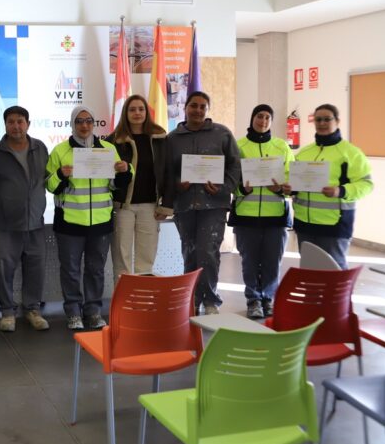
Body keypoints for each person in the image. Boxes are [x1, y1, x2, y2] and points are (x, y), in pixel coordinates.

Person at [46, 105, 130, 331]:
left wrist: (124, 171)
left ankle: (93, 311)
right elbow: (50, 186)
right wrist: (60, 174)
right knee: (71, 270)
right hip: (69, 222)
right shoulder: (60, 151)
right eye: (79, 121)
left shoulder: (108, 149)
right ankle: (73, 312)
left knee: (95, 270)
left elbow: (115, 184)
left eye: (88, 121)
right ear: (73, 124)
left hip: (101, 222)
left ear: (94, 124)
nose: (84, 125)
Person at [164, 91, 241, 315]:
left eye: (202, 106)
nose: (197, 110)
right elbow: (166, 171)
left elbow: (235, 167)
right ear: (185, 108)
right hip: (185, 204)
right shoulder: (172, 138)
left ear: (207, 110)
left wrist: (223, 188)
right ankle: (191, 299)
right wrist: (178, 184)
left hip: (213, 205)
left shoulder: (222, 134)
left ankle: (210, 300)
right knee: (189, 252)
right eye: (193, 106)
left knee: (208, 252)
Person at [0, 106, 50, 332]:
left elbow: (45, 180)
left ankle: (32, 310)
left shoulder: (40, 148)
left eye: (20, 121)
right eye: (11, 122)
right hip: (6, 223)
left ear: (28, 124)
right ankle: (7, 312)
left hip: (35, 222)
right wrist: (4, 201)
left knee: (35, 268)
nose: (16, 126)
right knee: (3, 269)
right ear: (5, 125)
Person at [283, 104, 372, 270]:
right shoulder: (305, 152)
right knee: (310, 269)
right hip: (304, 224)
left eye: (326, 119)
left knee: (334, 271)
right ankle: (313, 298)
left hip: (335, 225)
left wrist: (341, 191)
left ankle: (337, 298)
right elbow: (294, 181)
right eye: (318, 119)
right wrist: (290, 189)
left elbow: (366, 184)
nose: (322, 123)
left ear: (337, 121)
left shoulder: (350, 153)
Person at [228, 104, 293, 319]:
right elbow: (232, 179)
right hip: (246, 215)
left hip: (275, 214)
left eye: (267, 117)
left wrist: (281, 187)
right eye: (259, 116)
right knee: (249, 261)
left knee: (273, 260)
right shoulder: (239, 146)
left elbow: (292, 178)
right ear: (252, 118)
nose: (263, 121)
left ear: (271, 121)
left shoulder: (281, 146)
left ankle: (268, 298)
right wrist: (241, 188)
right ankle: (253, 299)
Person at [107, 94, 171, 277]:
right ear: (125, 113)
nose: (137, 113)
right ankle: (123, 303)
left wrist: (166, 205)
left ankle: (143, 301)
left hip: (150, 207)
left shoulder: (160, 138)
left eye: (141, 109)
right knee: (122, 259)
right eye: (132, 109)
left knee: (146, 259)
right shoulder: (113, 140)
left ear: (147, 112)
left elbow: (168, 171)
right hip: (122, 207)